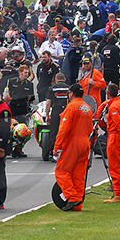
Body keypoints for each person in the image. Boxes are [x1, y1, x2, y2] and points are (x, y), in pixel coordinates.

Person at [52, 83, 93, 211]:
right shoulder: (87, 107)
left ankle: (73, 197)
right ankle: (78, 204)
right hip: (85, 141)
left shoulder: (71, 107)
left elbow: (63, 129)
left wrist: (57, 147)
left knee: (62, 171)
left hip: (73, 142)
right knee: (78, 175)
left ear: (71, 94)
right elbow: (91, 128)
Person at [94, 83, 120, 203]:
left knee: (114, 166)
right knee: (119, 165)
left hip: (116, 137)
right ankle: (118, 192)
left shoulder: (113, 106)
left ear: (107, 94)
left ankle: (118, 194)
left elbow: (119, 124)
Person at [3, 64, 34, 132]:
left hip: (23, 107)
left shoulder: (30, 84)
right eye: (25, 72)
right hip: (13, 106)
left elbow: (30, 97)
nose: (27, 74)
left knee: (23, 127)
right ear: (20, 72)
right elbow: (7, 93)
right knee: (11, 126)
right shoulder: (11, 81)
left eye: (28, 73)